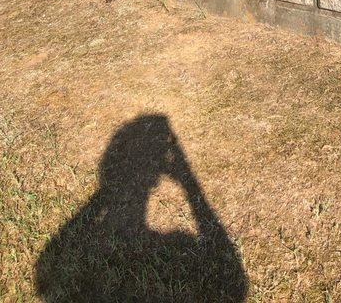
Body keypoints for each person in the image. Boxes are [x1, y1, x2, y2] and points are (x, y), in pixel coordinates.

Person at [34, 114, 247, 302]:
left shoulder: (51, 272)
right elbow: (231, 277)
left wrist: (105, 193)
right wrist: (188, 182)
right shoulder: (229, 287)